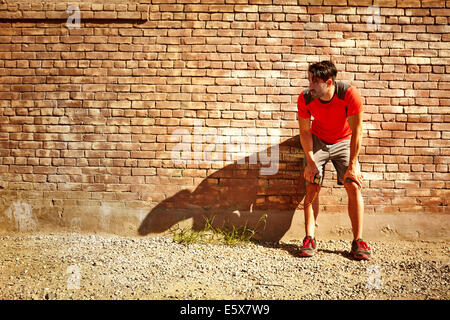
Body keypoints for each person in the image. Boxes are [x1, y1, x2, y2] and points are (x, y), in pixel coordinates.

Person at [297, 60, 371, 260]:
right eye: (309, 80)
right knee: (312, 184)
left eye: (315, 82)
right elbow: (304, 131)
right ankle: (309, 238)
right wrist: (311, 163)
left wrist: (353, 164)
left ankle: (358, 241)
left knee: (353, 184)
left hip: (344, 140)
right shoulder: (305, 98)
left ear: (329, 83)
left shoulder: (349, 94)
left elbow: (357, 131)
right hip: (318, 140)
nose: (310, 85)